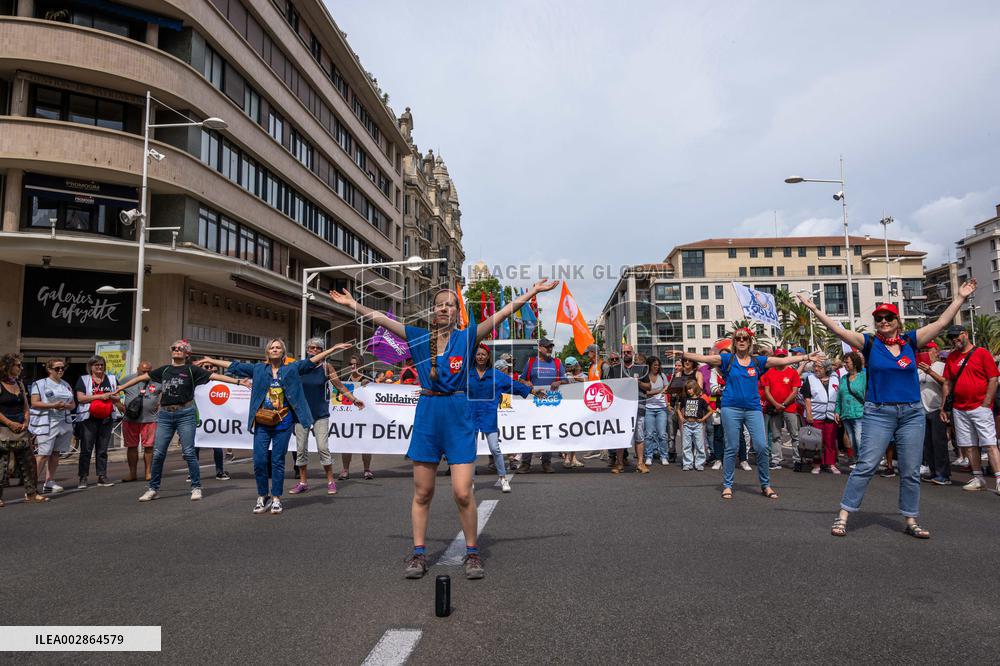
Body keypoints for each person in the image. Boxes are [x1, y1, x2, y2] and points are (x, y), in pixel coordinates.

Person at [330, 279, 558, 580]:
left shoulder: (466, 338)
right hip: (428, 415)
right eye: (439, 304)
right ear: (432, 311)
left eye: (450, 304)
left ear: (456, 313)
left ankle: (473, 552)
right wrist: (354, 305)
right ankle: (419, 553)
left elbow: (501, 314)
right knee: (422, 492)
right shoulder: (417, 336)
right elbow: (383, 319)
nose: (444, 307)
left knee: (463, 492)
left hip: (458, 414)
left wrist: (532, 293)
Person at [798, 280, 976, 539]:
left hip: (912, 413)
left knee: (911, 469)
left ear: (897, 320)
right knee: (866, 465)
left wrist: (959, 298)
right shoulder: (870, 344)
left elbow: (940, 324)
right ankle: (844, 515)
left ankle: (911, 519)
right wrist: (814, 310)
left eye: (888, 317)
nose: (883, 321)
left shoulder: (910, 341)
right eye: (879, 318)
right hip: (879, 412)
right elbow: (838, 330)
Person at [200, 340, 351, 513]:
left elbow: (311, 361)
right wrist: (212, 361)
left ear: (283, 352)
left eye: (278, 347)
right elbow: (234, 365)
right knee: (259, 461)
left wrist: (332, 348)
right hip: (263, 421)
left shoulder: (291, 368)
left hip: (283, 422)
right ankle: (263, 496)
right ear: (267, 352)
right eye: (272, 347)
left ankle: (276, 498)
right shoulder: (258, 369)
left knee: (278, 460)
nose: (275, 349)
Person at [679, 330, 820, 500]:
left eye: (744, 338)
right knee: (731, 448)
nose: (741, 340)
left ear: (749, 341)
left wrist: (805, 358)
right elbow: (705, 359)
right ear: (734, 342)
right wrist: (684, 354)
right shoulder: (727, 359)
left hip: (753, 409)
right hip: (731, 408)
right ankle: (728, 485)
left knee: (761, 446)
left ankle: (765, 485)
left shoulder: (757, 361)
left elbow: (782, 360)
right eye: (737, 338)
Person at [115, 342, 245, 503]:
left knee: (189, 452)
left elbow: (215, 376)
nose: (176, 350)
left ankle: (196, 487)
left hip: (185, 414)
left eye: (180, 349)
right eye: (174, 348)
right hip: (165, 415)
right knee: (158, 453)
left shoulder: (192, 370)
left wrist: (239, 382)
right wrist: (120, 388)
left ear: (187, 354)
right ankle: (153, 489)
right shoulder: (165, 370)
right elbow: (142, 377)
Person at [289, 338, 365, 496]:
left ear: (322, 350)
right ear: (307, 350)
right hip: (301, 414)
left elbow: (340, 386)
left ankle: (330, 481)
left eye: (318, 348)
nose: (315, 350)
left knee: (323, 448)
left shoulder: (326, 367)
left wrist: (354, 400)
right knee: (301, 449)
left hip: (320, 414)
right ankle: (303, 482)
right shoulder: (298, 367)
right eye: (312, 347)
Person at [468, 346, 544, 491]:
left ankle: (503, 478)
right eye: (478, 354)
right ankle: (470, 481)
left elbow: (513, 385)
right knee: (471, 450)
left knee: (495, 448)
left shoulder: (496, 375)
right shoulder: (468, 374)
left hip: (489, 415)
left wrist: (533, 391)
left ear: (488, 357)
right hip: (470, 415)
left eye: (483, 354)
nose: (481, 357)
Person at [940, 324, 1000, 493]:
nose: (954, 340)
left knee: (989, 443)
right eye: (951, 338)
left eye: (956, 336)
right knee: (969, 445)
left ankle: (998, 478)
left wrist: (987, 402)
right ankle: (978, 477)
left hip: (980, 406)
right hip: (960, 408)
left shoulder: (982, 353)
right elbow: (947, 383)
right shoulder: (951, 357)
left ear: (965, 334)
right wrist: (943, 407)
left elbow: (993, 379)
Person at [1, 353, 48, 506]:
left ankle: (32, 493)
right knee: (2, 464)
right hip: (3, 429)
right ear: (8, 367)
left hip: (21, 428)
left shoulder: (19, 383)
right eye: (18, 365)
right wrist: (9, 423)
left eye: (21, 365)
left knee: (28, 463)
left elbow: (26, 405)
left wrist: (26, 421)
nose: (21, 367)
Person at [518, 337, 565, 474]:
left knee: (548, 432)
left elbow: (566, 380)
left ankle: (546, 463)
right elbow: (521, 379)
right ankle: (525, 463)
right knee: (529, 432)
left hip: (551, 404)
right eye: (547, 346)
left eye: (551, 346)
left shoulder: (557, 363)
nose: (550, 349)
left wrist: (559, 383)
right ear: (539, 348)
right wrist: (526, 382)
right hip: (533, 405)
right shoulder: (531, 362)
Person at [74, 355, 121, 489]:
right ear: (91, 367)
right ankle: (83, 477)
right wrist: (100, 396)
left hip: (106, 418)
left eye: (101, 364)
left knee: (102, 450)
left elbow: (118, 395)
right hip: (89, 418)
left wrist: (111, 396)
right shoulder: (84, 379)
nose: (99, 367)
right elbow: (81, 398)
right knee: (86, 449)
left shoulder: (111, 379)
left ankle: (102, 476)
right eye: (96, 365)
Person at [28, 358, 75, 493]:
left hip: (63, 423)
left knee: (55, 453)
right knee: (43, 454)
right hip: (47, 423)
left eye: (63, 368)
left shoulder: (66, 384)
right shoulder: (40, 384)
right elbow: (35, 402)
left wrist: (65, 406)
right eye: (57, 368)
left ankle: (49, 481)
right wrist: (53, 405)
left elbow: (73, 404)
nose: (61, 370)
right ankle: (32, 484)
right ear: (49, 370)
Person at [603, 344, 648, 473]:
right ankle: (619, 463)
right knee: (621, 435)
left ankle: (640, 463)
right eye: (624, 352)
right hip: (621, 408)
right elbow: (609, 388)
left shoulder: (641, 368)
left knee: (639, 435)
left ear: (633, 353)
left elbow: (648, 387)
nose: (626, 354)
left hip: (638, 406)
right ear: (621, 355)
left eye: (629, 352)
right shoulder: (615, 369)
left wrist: (638, 382)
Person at [118, 360, 161, 483]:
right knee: (131, 447)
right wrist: (118, 404)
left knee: (149, 447)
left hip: (150, 419)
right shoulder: (127, 379)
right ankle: (132, 473)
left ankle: (148, 472)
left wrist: (160, 404)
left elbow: (166, 393)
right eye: (143, 371)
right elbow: (113, 390)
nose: (145, 374)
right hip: (130, 420)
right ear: (137, 369)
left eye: (148, 371)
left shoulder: (157, 380)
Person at [761, 348, 802, 470]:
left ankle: (797, 460)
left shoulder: (792, 372)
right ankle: (776, 460)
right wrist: (775, 404)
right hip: (774, 408)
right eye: (778, 356)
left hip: (789, 408)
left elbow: (795, 391)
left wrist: (783, 404)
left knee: (794, 434)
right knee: (776, 435)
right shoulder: (769, 373)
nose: (781, 359)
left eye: (783, 356)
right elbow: (766, 391)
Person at [917, 342, 950, 485]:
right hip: (922, 410)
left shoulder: (941, 366)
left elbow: (946, 383)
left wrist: (930, 372)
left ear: (936, 351)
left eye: (928, 350)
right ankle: (933, 471)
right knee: (927, 444)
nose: (925, 352)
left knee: (939, 443)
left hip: (937, 409)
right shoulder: (919, 369)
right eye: (923, 350)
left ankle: (943, 474)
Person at [191, 360, 230, 480]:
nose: (209, 368)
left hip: (214, 419)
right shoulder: (194, 382)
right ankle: (192, 473)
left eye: (211, 367)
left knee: (217, 446)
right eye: (206, 366)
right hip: (197, 418)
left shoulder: (218, 382)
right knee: (195, 446)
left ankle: (219, 471)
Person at [802, 360, 841, 475]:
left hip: (831, 415)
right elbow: (807, 398)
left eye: (819, 367)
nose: (816, 369)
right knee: (816, 441)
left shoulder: (835, 379)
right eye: (815, 366)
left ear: (826, 368)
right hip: (815, 415)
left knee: (830, 441)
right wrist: (809, 414)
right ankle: (817, 464)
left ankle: (831, 464)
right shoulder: (810, 379)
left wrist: (838, 412)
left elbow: (839, 397)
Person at [338, 355, 374, 480]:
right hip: (348, 416)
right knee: (347, 443)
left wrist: (368, 385)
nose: (353, 366)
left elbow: (375, 397)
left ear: (362, 365)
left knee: (366, 443)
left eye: (357, 364)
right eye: (351, 364)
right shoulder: (344, 379)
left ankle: (367, 469)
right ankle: (345, 470)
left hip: (364, 416)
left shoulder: (368, 379)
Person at [835, 351, 867, 469]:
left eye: (847, 362)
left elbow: (865, 394)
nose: (845, 365)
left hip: (860, 412)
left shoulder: (864, 376)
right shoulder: (844, 378)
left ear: (854, 363)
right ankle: (858, 461)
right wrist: (837, 411)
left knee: (859, 438)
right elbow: (839, 396)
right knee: (853, 440)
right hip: (846, 413)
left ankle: (863, 462)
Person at [677, 379, 712, 470]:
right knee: (686, 445)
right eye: (687, 389)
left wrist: (703, 419)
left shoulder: (701, 400)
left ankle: (699, 463)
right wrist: (681, 418)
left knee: (699, 445)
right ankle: (687, 463)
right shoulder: (685, 400)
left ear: (695, 388)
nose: (689, 391)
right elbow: (678, 409)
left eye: (690, 388)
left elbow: (711, 410)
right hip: (687, 424)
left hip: (697, 425)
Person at [642, 356, 670, 467]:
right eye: (654, 365)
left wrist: (667, 404)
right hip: (648, 407)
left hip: (661, 408)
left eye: (658, 365)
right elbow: (645, 392)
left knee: (662, 434)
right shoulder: (645, 377)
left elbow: (666, 391)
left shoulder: (662, 376)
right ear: (649, 365)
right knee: (648, 434)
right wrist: (658, 391)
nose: (657, 367)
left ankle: (664, 456)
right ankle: (649, 456)